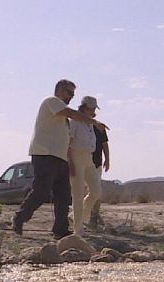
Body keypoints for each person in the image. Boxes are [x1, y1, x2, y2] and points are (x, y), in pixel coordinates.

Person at [12, 79, 100, 239]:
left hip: (60, 157)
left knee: (63, 196)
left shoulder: (64, 117)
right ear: (59, 90)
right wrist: (93, 121)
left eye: (73, 94)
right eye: (69, 92)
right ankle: (20, 217)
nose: (71, 96)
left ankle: (60, 229)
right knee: (41, 191)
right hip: (45, 154)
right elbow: (71, 113)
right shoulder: (51, 102)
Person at [67, 96, 105, 235]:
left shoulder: (90, 123)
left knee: (96, 191)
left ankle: (77, 217)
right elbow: (68, 143)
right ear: (84, 107)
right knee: (77, 194)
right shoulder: (74, 121)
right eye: (91, 108)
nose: (93, 111)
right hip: (76, 157)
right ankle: (78, 229)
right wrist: (70, 162)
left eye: (94, 109)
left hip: (88, 158)